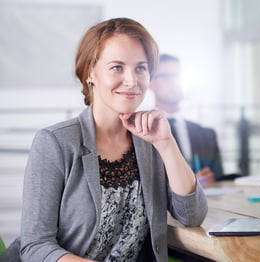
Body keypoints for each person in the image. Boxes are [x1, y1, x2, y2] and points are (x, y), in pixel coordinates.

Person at [2, 17, 207, 262]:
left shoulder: (150, 140)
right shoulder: (55, 142)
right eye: (117, 67)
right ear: (90, 72)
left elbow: (191, 215)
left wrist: (166, 143)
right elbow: (35, 246)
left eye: (141, 68)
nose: (132, 80)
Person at [149, 54, 224, 185]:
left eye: (177, 76)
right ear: (150, 82)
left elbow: (218, 178)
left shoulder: (207, 135)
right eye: (166, 76)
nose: (174, 82)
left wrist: (211, 179)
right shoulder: (141, 132)